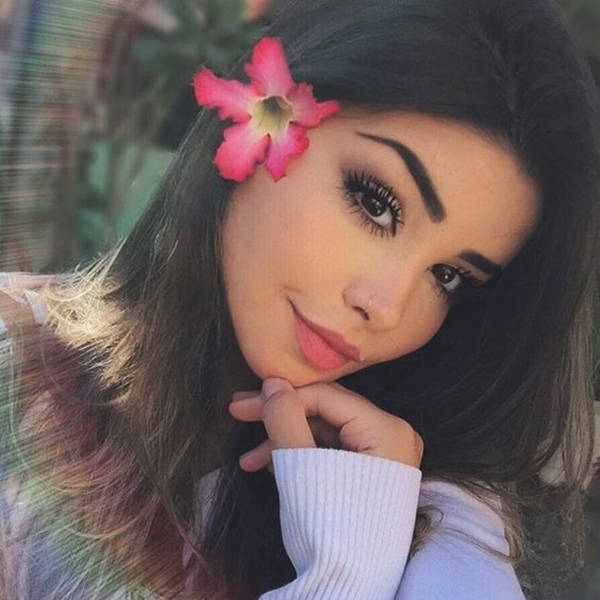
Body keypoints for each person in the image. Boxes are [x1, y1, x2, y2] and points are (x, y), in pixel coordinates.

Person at [0, 0, 598, 598]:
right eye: (376, 204)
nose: (386, 307)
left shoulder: (434, 505)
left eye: (448, 276)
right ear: (258, 115)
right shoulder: (15, 371)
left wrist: (352, 549)